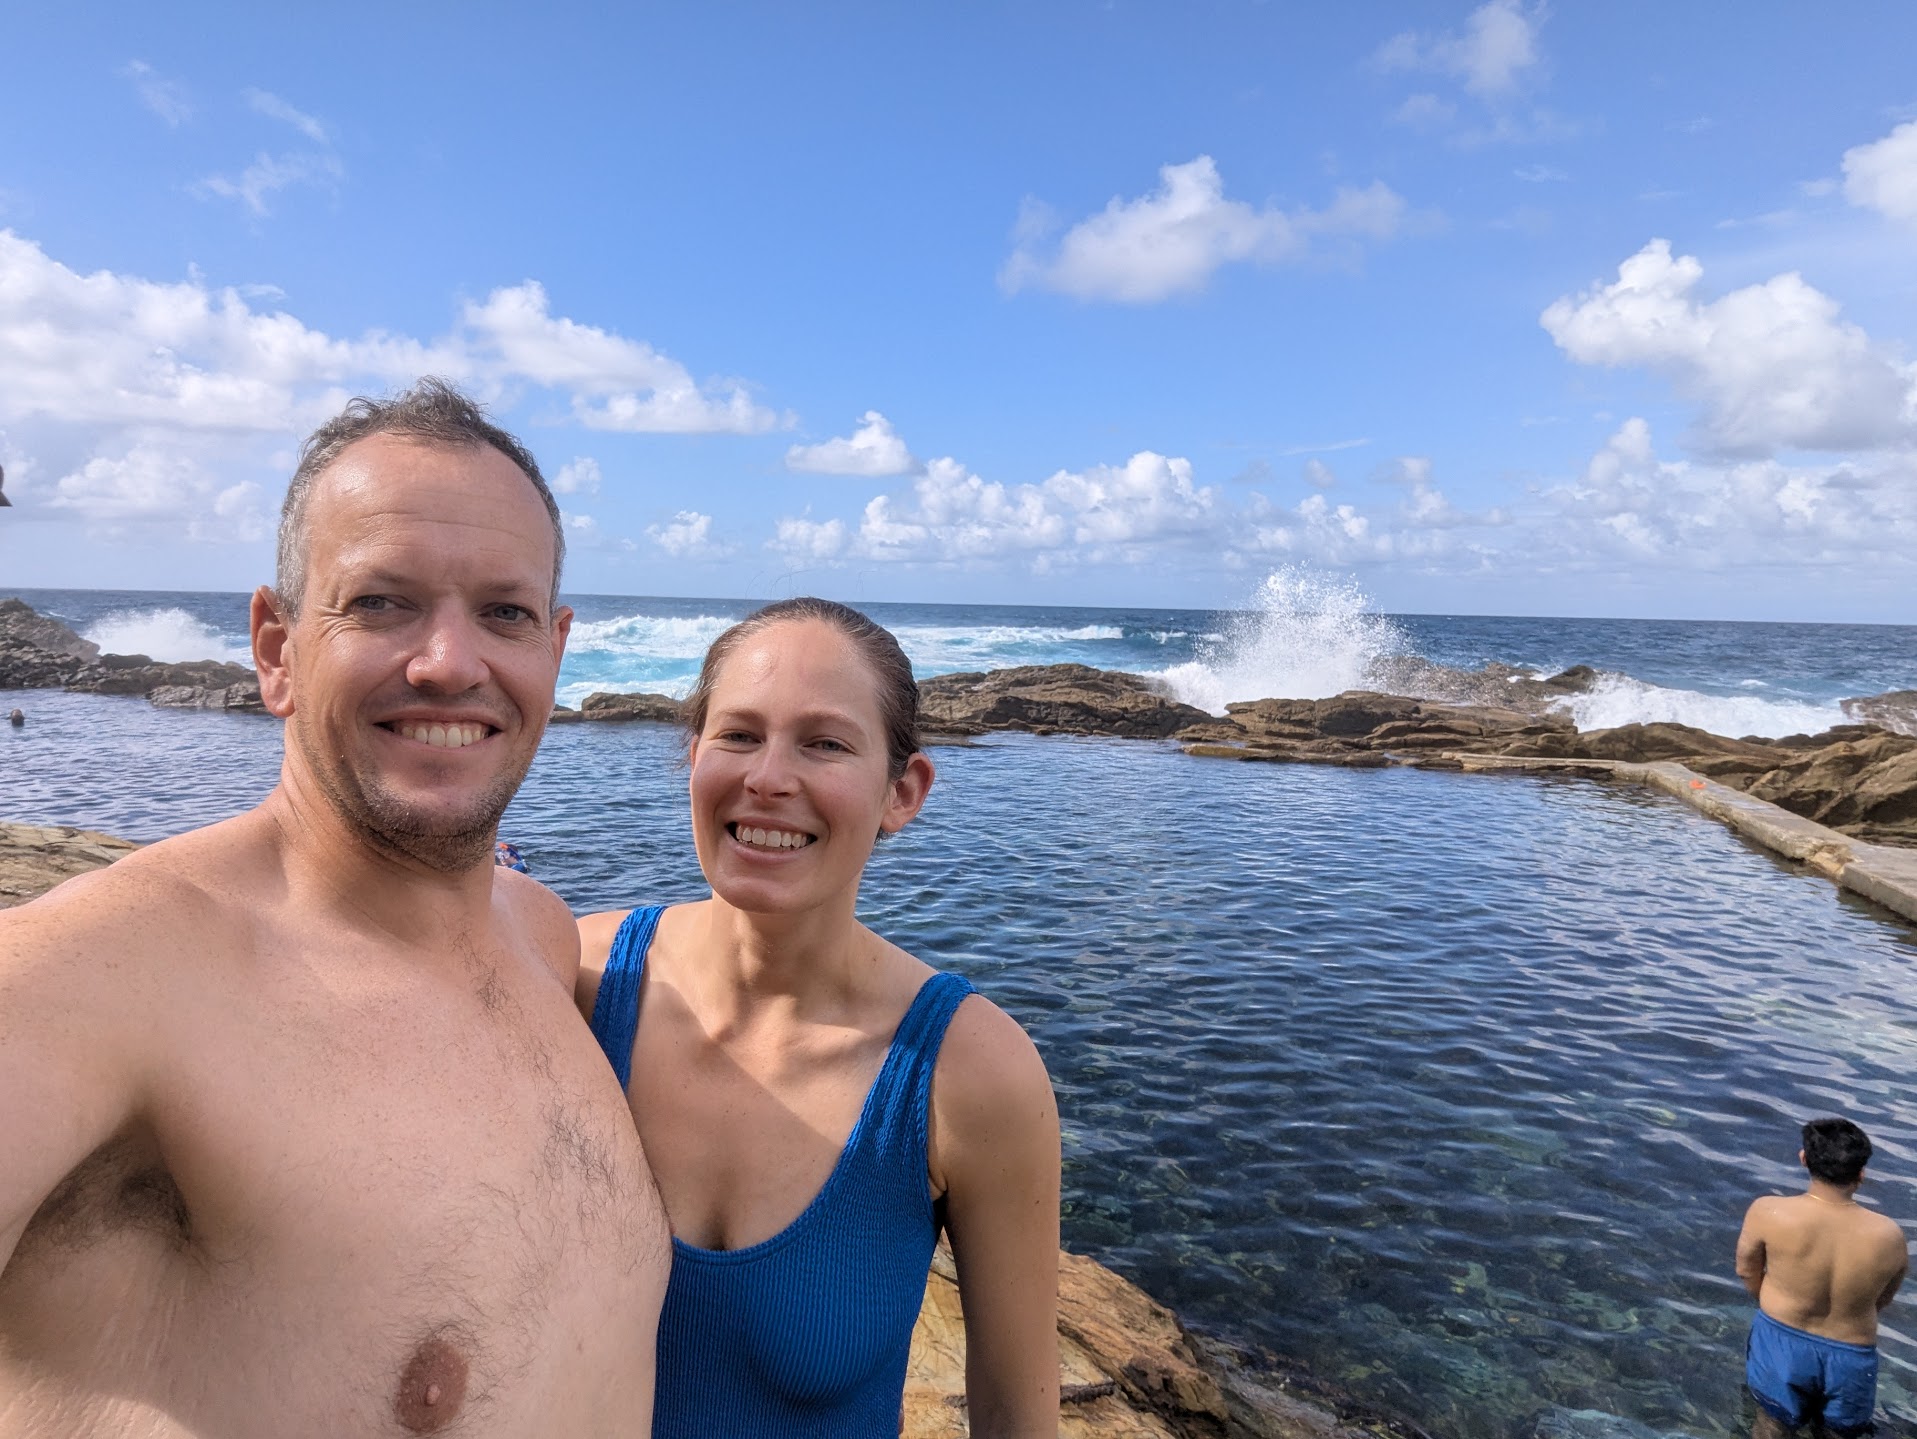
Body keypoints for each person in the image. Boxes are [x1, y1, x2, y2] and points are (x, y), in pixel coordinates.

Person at [0, 380, 671, 1437]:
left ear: (555, 646)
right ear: (274, 647)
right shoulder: (103, 977)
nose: (451, 662)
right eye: (380, 601)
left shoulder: (541, 936)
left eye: (505, 611)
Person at [575, 597, 1061, 1437]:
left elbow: (1017, 1417)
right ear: (691, 757)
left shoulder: (969, 1074)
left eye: (824, 743)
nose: (767, 777)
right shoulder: (575, 983)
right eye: (737, 734)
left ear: (900, 790)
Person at [1735, 1117, 1909, 1438]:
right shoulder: (1890, 1235)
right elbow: (1883, 1299)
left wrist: (1777, 1303)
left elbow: (1746, 1270)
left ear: (1804, 1158)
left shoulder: (1767, 1211)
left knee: (1771, 1427)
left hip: (1781, 1340)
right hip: (1851, 1354)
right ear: (1861, 1173)